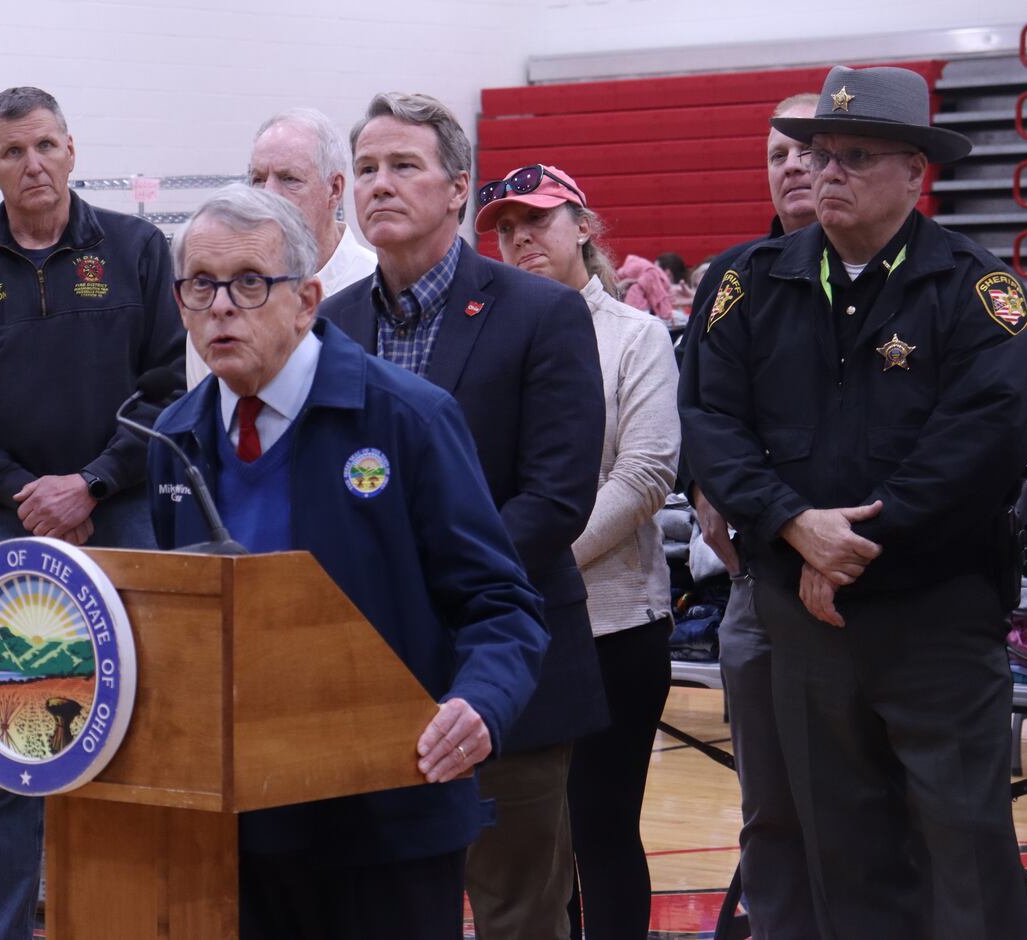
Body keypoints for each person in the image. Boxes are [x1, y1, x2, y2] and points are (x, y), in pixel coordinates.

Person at [682, 65, 1027, 940]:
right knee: (839, 855)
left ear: (916, 172)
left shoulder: (978, 291)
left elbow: (984, 445)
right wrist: (796, 527)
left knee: (966, 855)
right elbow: (711, 426)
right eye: (817, 153)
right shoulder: (748, 285)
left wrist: (852, 548)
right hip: (804, 621)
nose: (824, 171)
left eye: (854, 155)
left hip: (935, 621)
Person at [152, 182, 548, 940]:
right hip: (238, 817)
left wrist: (480, 705)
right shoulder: (173, 437)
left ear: (305, 302)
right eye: (201, 285)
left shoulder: (406, 417)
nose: (222, 307)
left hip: (386, 819)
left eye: (248, 283)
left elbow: (501, 604)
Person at [0, 85, 184, 940]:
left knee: (134, 733)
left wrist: (89, 484)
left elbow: (168, 389)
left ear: (72, 149)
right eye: (14, 152)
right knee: (5, 748)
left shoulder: (135, 251)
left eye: (47, 146)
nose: (35, 165)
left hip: (121, 519)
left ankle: (120, 922)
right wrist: (28, 492)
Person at [323, 92, 606, 940]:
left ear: (456, 189)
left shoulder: (540, 313)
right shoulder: (330, 326)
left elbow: (556, 499)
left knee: (518, 911)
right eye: (367, 168)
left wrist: (424, 589)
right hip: (364, 672)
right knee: (379, 908)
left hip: (503, 664)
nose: (381, 185)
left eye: (403, 166)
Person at [476, 164, 678, 940]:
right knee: (533, 843)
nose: (521, 237)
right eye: (506, 226)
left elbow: (644, 476)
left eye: (539, 221)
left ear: (584, 228)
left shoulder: (636, 335)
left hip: (614, 622)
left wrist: (532, 559)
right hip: (518, 622)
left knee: (601, 829)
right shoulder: (493, 334)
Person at [677, 90, 824, 940]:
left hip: (871, 581)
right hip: (758, 585)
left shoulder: (923, 280)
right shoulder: (731, 281)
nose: (796, 166)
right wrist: (706, 490)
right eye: (778, 155)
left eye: (811, 148)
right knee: (770, 809)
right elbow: (700, 412)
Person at [184, 108, 377, 387]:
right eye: (258, 179)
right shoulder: (218, 305)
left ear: (334, 189)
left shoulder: (377, 289)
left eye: (289, 179)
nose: (268, 194)